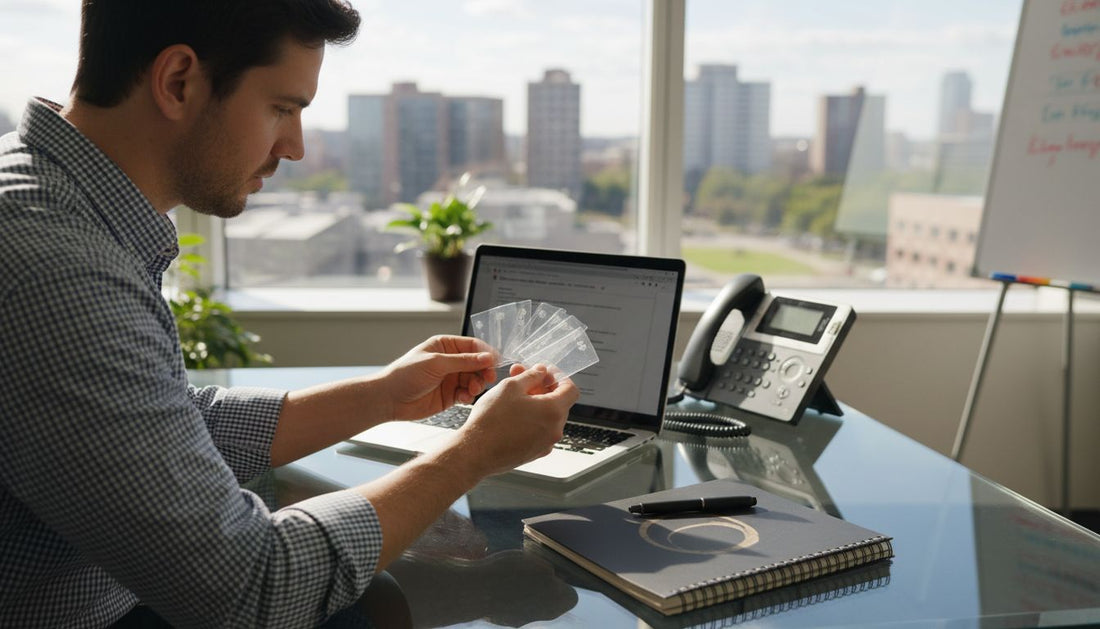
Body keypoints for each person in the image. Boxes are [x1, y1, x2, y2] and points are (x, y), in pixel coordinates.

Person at [0, 1, 579, 627]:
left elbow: (152, 424)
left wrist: (381, 396)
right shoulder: (57, 267)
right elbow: (248, 588)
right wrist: (470, 456)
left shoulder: (54, 202)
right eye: (282, 108)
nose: (296, 147)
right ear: (178, 82)